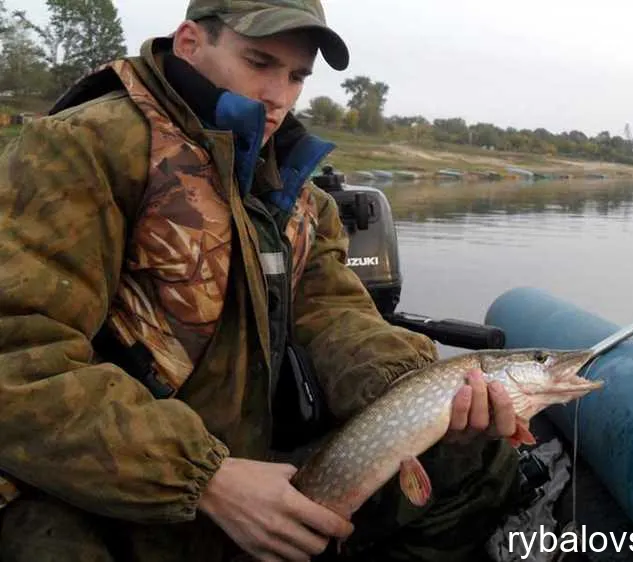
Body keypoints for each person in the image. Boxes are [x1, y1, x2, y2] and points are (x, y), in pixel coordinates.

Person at [0, 1, 528, 560]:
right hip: (122, 479)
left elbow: (336, 317)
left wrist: (425, 396)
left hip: (252, 464)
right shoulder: (82, 148)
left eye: (297, 76)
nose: (278, 95)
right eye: (258, 61)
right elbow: (17, 356)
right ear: (188, 43)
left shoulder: (300, 194)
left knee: (480, 460)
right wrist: (206, 477)